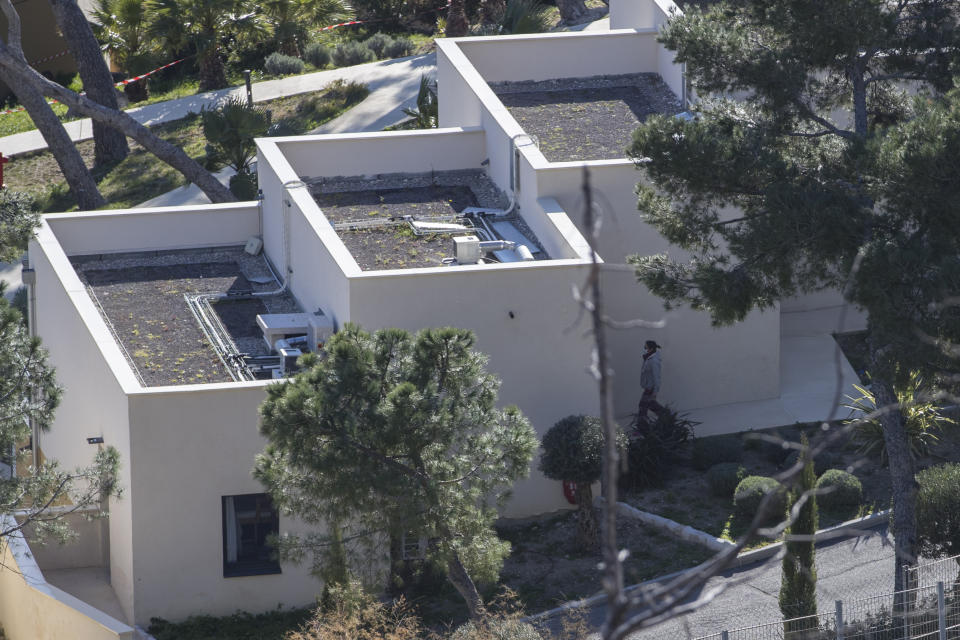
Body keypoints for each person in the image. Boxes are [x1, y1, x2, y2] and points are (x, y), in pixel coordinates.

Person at [638, 340, 663, 423]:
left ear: (651, 349)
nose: (644, 349)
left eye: (645, 347)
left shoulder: (653, 361)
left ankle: (642, 425)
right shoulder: (648, 359)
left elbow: (656, 377)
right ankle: (666, 416)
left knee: (642, 407)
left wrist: (655, 391)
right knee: (651, 405)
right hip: (648, 387)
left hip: (651, 388)